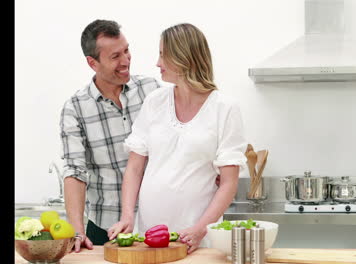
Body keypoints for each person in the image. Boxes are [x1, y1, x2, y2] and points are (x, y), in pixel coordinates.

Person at [108, 23, 247, 253]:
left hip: (197, 238)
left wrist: (200, 229)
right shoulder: (154, 102)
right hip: (149, 235)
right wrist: (127, 217)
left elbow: (229, 182)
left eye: (163, 54)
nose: (157, 63)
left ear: (183, 58)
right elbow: (134, 167)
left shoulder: (225, 108)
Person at [59, 19, 162, 252]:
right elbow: (75, 171)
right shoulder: (75, 108)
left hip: (156, 223)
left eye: (127, 51)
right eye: (115, 56)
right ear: (92, 62)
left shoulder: (152, 90)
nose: (126, 61)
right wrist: (77, 230)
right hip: (105, 228)